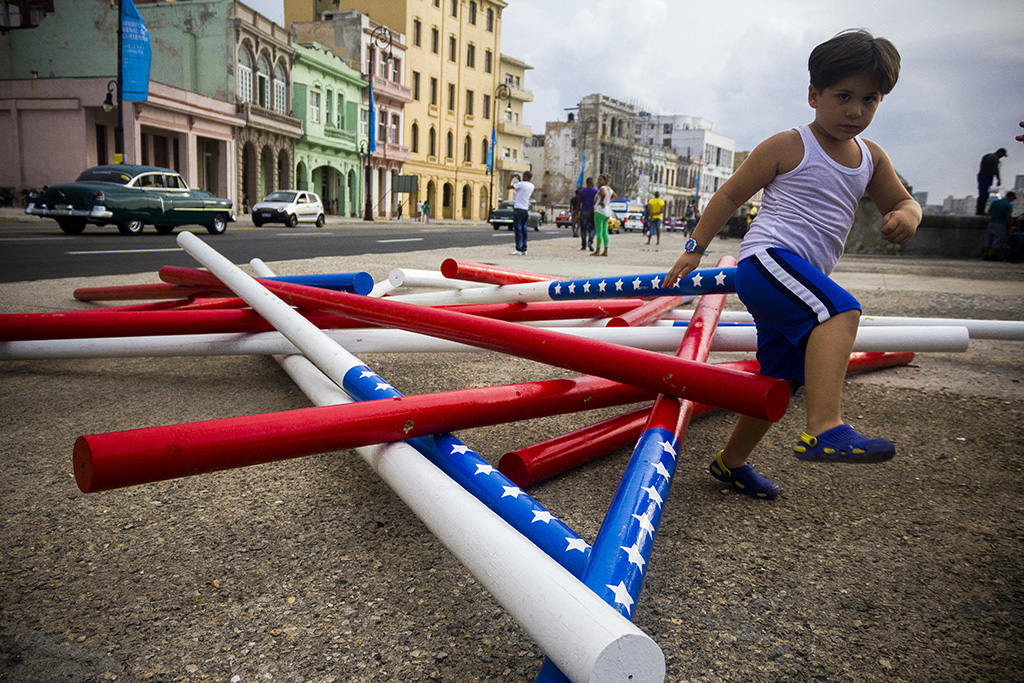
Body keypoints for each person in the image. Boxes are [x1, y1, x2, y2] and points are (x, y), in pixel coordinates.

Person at [662, 29, 921, 500]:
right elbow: (730, 194)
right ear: (813, 95)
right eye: (843, 96)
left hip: (799, 279)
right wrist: (695, 247)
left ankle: (731, 462)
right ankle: (825, 427)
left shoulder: (871, 157)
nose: (855, 110)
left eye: (870, 99)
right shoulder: (789, 145)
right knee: (840, 311)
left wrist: (906, 215)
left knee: (784, 379)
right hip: (767, 262)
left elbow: (903, 200)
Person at [983, 190, 1016, 260]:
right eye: (1013, 198)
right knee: (997, 240)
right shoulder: (1008, 205)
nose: (1012, 200)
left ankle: (986, 255)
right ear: (1010, 197)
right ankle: (993, 256)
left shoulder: (995, 202)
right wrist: (1010, 226)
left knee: (988, 239)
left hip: (992, 223)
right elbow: (1008, 216)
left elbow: (989, 212)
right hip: (1000, 224)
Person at [508, 171, 535, 255]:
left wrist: (511, 178)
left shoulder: (522, 184)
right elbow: (522, 187)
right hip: (525, 209)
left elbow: (508, 187)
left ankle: (518, 249)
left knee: (518, 230)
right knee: (524, 230)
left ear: (525, 176)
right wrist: (520, 180)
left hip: (518, 209)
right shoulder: (531, 186)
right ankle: (524, 248)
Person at [976, 147, 1007, 215]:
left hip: (981, 176)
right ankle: (980, 211)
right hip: (987, 176)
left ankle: (979, 210)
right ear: (1000, 153)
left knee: (982, 193)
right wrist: (998, 179)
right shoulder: (995, 158)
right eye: (1002, 156)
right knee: (984, 194)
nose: (1001, 157)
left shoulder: (987, 156)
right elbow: (995, 169)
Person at [592, 175, 616, 257]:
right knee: (605, 232)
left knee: (599, 231)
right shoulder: (609, 189)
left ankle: (598, 250)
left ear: (605, 181)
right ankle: (605, 250)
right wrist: (608, 201)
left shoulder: (603, 189)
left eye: (600, 180)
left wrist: (602, 201)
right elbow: (615, 195)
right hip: (607, 211)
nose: (599, 181)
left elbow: (603, 193)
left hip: (599, 210)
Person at [577, 177, 598, 251]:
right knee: (593, 228)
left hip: (584, 211)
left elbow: (578, 202)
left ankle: (583, 245)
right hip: (592, 211)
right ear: (591, 182)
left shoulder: (581, 191)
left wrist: (577, 213)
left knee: (583, 229)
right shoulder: (596, 191)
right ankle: (590, 241)